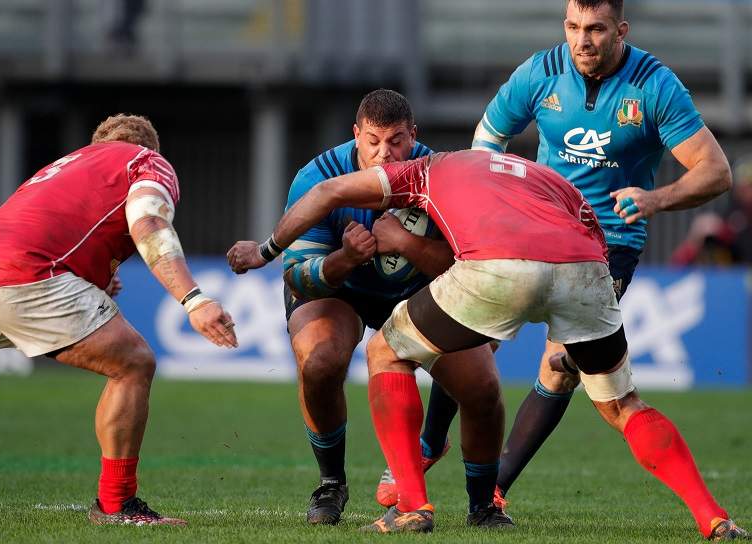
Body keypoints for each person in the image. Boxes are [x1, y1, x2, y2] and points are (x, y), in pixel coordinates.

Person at [227, 149, 747, 540]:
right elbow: (591, 227)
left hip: (498, 268)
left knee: (386, 351)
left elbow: (327, 194)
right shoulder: (542, 175)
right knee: (623, 404)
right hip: (586, 268)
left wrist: (266, 249)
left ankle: (412, 506)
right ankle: (714, 518)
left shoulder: (428, 169)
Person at [387, 0, 732, 517]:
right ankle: (431, 444)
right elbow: (487, 140)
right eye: (572, 27)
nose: (582, 41)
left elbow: (716, 171)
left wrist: (654, 198)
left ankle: (493, 488)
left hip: (607, 247)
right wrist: (489, 211)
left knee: (558, 367)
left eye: (595, 29)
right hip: (533, 231)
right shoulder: (541, 72)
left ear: (621, 29)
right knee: (472, 345)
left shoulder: (655, 86)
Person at [0, 114, 237, 526]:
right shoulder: (144, 161)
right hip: (20, 274)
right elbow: (149, 223)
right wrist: (193, 300)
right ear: (149, 147)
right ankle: (116, 504)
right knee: (133, 363)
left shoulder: (62, 166)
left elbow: (45, 227)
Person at [278, 89, 505, 526]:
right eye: (374, 141)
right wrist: (344, 259)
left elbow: (464, 263)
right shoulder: (319, 177)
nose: (386, 153)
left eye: (397, 140)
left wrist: (407, 244)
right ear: (356, 136)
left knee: (483, 387)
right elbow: (296, 276)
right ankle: (331, 484)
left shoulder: (441, 174)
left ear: (413, 136)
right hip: (341, 290)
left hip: (418, 293)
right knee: (320, 362)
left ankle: (482, 505)